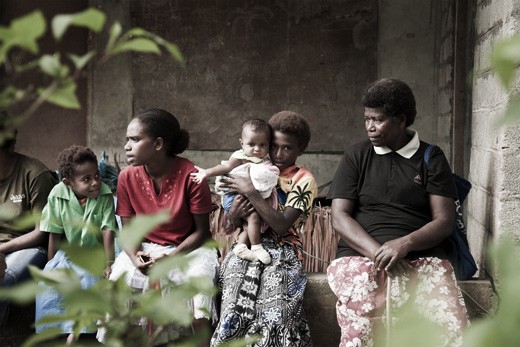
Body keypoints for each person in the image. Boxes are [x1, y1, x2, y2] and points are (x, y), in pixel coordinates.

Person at [326, 78, 469, 347]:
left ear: (401, 120)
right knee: (362, 330)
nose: (370, 126)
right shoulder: (356, 155)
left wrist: (404, 244)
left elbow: (444, 221)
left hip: (423, 257)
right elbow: (340, 217)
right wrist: (379, 254)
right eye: (367, 118)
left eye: (378, 120)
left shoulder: (431, 157)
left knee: (446, 328)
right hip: (360, 256)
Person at [104, 108, 219, 346]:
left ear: (158, 144)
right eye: (127, 139)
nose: (127, 145)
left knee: (199, 288)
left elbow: (202, 233)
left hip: (189, 248)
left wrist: (168, 259)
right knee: (119, 281)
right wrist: (136, 257)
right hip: (145, 247)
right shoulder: (126, 177)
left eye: (135, 139)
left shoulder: (192, 176)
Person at [211, 111, 318, 347]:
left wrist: (250, 191)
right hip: (244, 245)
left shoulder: (303, 180)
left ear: (301, 149)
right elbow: (228, 226)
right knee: (234, 308)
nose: (279, 154)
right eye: (275, 146)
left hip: (283, 250)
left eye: (287, 148)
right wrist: (235, 211)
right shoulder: (250, 167)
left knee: (276, 312)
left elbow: (281, 226)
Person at [34, 145, 117, 341]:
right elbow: (54, 231)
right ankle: (55, 329)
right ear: (68, 183)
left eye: (97, 175)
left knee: (88, 278)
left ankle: (77, 331)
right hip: (69, 252)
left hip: (98, 252)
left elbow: (108, 231)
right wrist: (50, 261)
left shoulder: (104, 194)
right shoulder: (57, 194)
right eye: (86, 179)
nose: (95, 182)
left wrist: (108, 264)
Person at [191, 119, 279, 264]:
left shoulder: (264, 160)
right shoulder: (240, 156)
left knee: (249, 223)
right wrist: (206, 172)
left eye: (262, 145)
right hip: (234, 196)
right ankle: (257, 246)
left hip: (247, 195)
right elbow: (226, 168)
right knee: (254, 218)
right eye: (251, 144)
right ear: (241, 143)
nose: (257, 149)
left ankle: (241, 246)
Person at [0, 127, 57, 325]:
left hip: (26, 247)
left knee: (1, 280)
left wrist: (1, 249)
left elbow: (41, 232)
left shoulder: (34, 173)